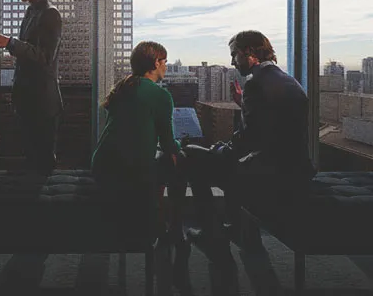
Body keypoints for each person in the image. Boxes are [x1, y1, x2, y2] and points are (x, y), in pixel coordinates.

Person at [185, 30, 316, 249]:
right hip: (297, 169)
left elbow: (249, 139)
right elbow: (273, 127)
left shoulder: (256, 84)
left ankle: (212, 234)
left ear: (249, 52)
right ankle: (240, 228)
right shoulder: (288, 80)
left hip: (271, 175)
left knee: (193, 157)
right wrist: (243, 105)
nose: (232, 62)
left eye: (234, 55)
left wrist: (221, 150)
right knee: (232, 162)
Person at [91, 41, 187, 246]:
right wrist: (179, 148)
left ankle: (158, 218)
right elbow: (169, 143)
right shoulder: (160, 95)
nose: (166, 67)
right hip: (129, 169)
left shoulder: (124, 87)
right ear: (155, 63)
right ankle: (174, 229)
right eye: (164, 62)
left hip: (102, 164)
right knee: (179, 162)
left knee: (163, 162)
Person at [0, 0, 62, 174]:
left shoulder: (50, 14)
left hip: (42, 104)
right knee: (32, 159)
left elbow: (45, 57)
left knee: (42, 162)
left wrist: (9, 43)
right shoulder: (32, 12)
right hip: (29, 100)